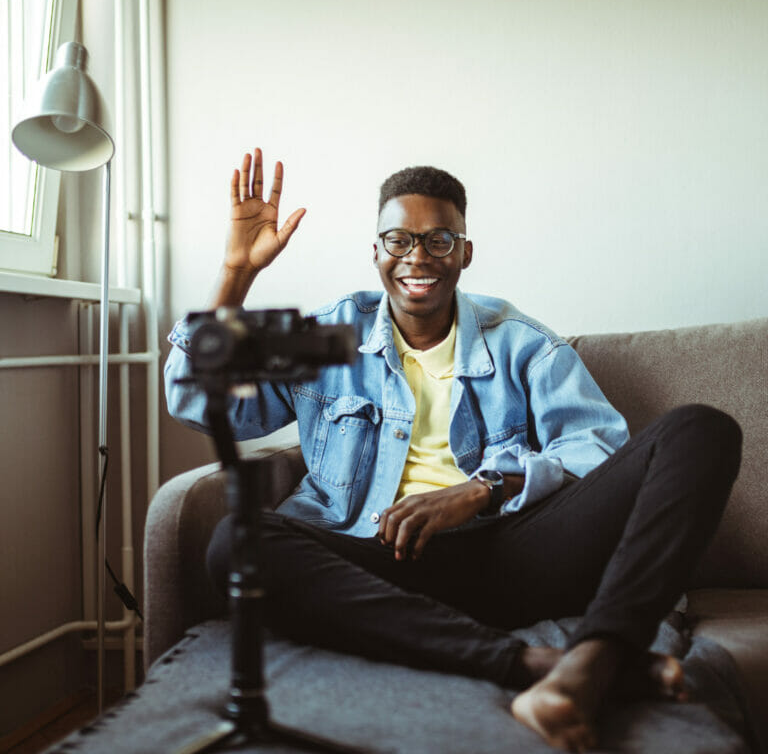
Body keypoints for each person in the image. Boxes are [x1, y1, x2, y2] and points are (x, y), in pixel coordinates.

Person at [165, 148, 742, 752]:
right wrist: (236, 273)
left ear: (465, 253)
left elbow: (597, 450)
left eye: (439, 240)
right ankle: (539, 668)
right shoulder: (331, 335)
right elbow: (197, 402)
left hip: (509, 556)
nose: (417, 256)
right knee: (238, 541)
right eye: (398, 239)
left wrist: (481, 489)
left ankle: (597, 656)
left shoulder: (522, 345)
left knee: (701, 429)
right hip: (371, 567)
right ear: (376, 251)